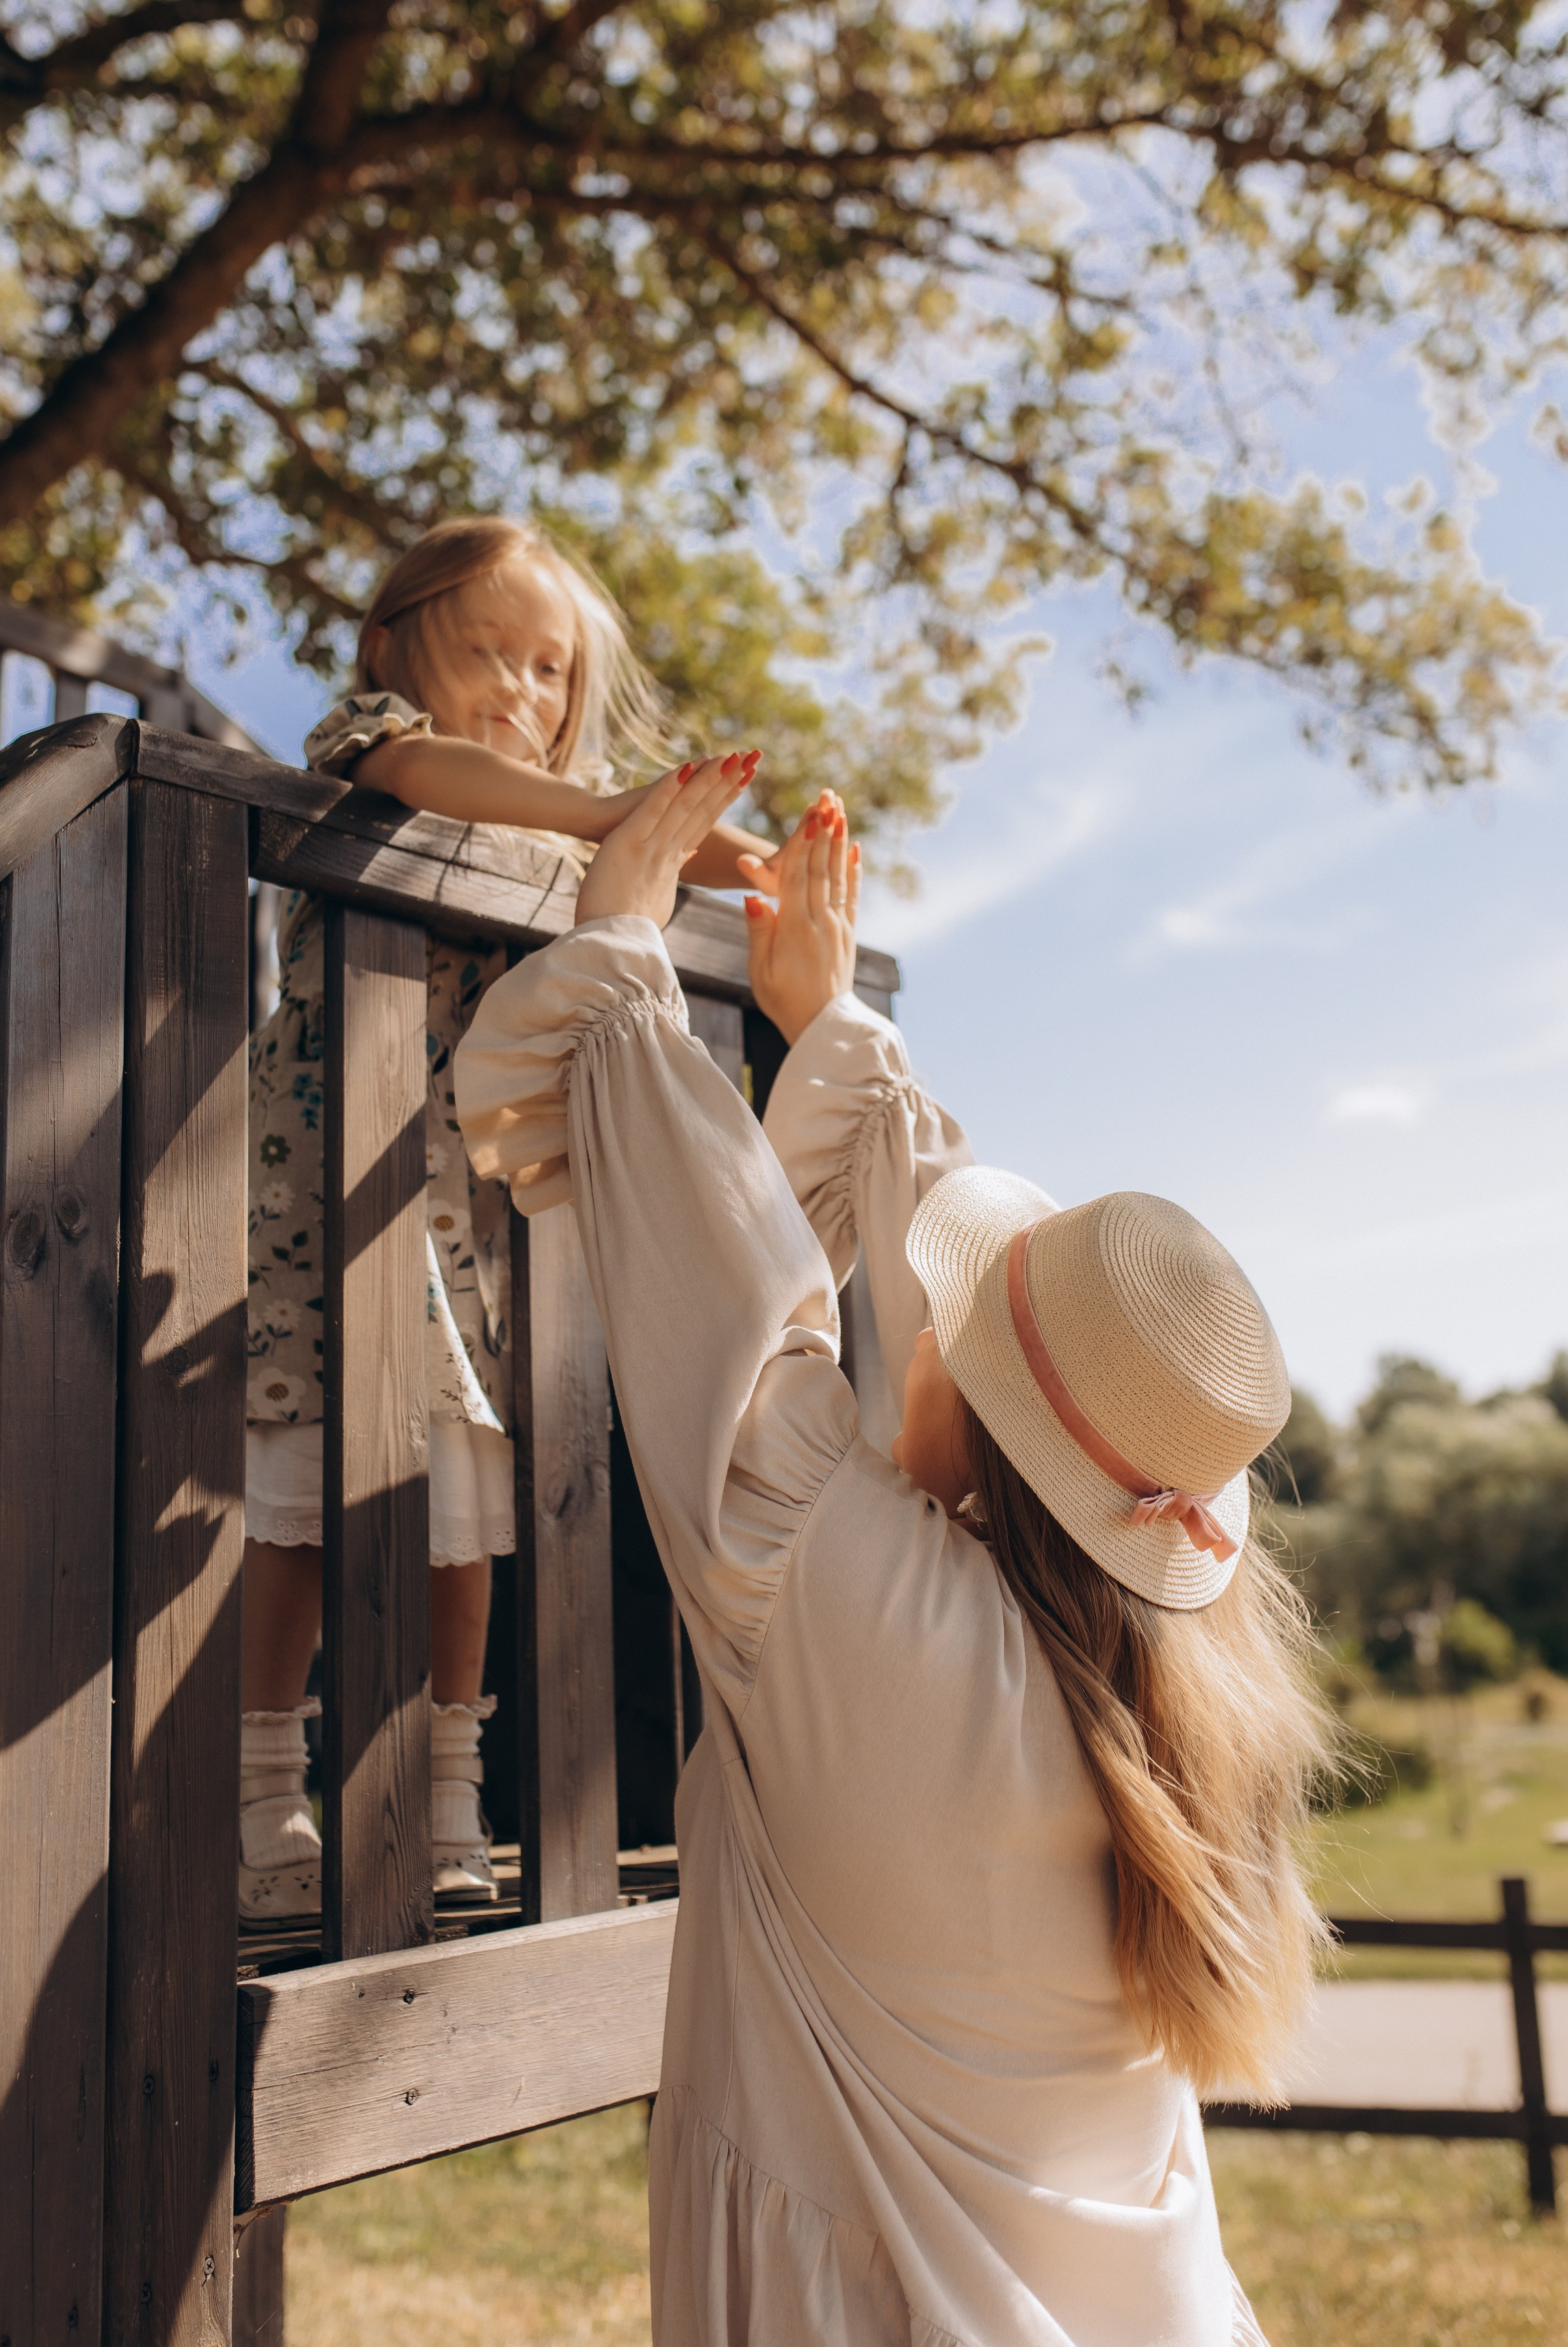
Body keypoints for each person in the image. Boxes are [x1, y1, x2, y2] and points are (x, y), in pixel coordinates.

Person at [455, 764, 1335, 2346]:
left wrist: (623, 959)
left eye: (951, 1322)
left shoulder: (868, 1610)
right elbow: (873, 1306)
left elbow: (732, 1318)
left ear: (976, 1401)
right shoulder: (1170, 1687)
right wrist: (836, 1029)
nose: (913, 1333)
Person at [239, 517, 766, 1922]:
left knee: (464, 1513)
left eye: (551, 674)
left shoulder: (545, 841)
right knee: (296, 1490)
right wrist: (620, 818)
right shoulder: (380, 744)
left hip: (471, 1218)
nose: (524, 699)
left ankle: (447, 1790)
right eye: (493, 655)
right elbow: (430, 772)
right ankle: (257, 1797)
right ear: (391, 643)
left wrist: (701, 860)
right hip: (334, 1201)